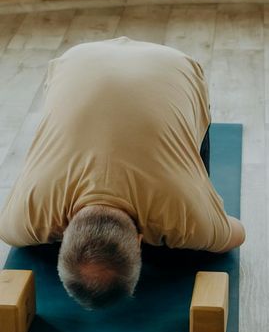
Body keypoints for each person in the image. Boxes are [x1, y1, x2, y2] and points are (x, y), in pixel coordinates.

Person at [0, 37, 245, 309]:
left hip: (173, 70)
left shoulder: (181, 209)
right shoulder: (26, 215)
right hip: (81, 61)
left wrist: (196, 225)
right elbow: (235, 232)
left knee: (188, 253)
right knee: (184, 244)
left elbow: (235, 234)